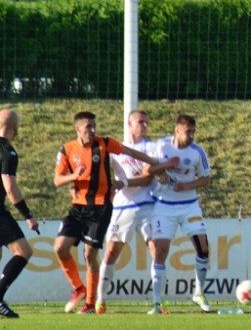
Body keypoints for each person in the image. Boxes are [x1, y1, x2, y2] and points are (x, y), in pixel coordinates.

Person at [54, 111, 170, 315]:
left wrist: (157, 165)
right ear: (78, 129)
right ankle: (87, 293)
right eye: (88, 126)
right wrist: (74, 179)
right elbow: (60, 179)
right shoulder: (69, 149)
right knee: (66, 249)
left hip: (118, 207)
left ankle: (95, 303)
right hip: (93, 207)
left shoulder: (109, 144)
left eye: (94, 126)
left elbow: (137, 161)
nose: (92, 130)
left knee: (92, 254)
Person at [147, 114, 213, 315]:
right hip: (164, 206)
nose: (191, 136)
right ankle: (156, 303)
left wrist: (187, 185)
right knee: (160, 251)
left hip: (189, 206)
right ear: (177, 130)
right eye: (187, 132)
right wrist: (161, 171)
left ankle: (198, 293)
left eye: (193, 132)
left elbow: (206, 179)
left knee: (203, 248)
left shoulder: (197, 152)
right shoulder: (161, 146)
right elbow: (148, 169)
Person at [95, 110, 159, 314]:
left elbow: (147, 178)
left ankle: (158, 303)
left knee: (157, 251)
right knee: (111, 252)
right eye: (141, 122)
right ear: (129, 124)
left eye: (147, 122)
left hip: (149, 205)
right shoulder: (115, 150)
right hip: (124, 207)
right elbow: (101, 173)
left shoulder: (152, 147)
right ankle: (100, 299)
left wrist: (122, 183)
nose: (145, 125)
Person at [0, 110, 39, 318]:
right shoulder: (7, 151)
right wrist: (28, 215)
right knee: (23, 251)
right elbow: (10, 186)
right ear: (15, 127)